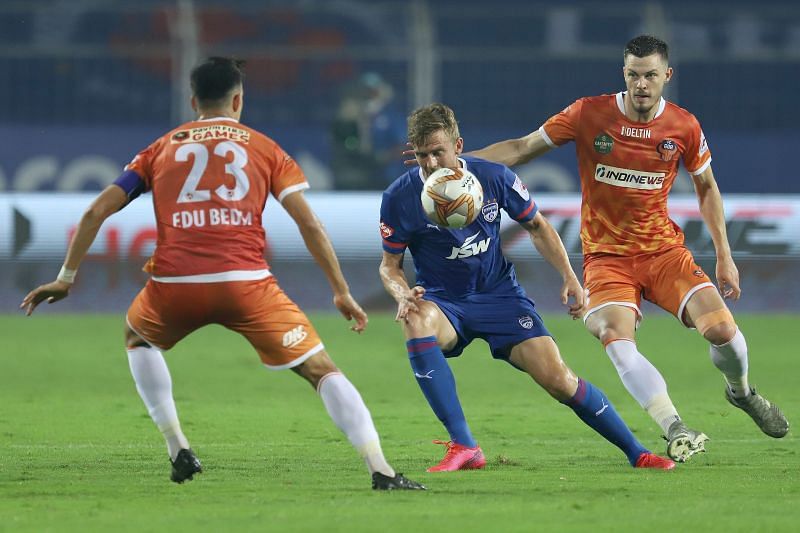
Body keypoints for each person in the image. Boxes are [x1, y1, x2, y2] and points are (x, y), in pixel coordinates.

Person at [21, 57, 424, 491]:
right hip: (246, 284)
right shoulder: (265, 147)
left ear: (194, 100)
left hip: (174, 286)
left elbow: (95, 210)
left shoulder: (160, 149)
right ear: (238, 100)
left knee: (138, 338)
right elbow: (310, 224)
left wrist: (66, 276)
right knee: (320, 370)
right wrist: (341, 291)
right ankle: (381, 471)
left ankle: (179, 449)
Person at [468, 35, 789, 461]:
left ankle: (742, 393)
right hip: (606, 257)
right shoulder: (588, 113)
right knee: (614, 336)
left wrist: (725, 256)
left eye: (651, 75)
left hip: (663, 253)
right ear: (624, 74)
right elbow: (522, 148)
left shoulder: (683, 126)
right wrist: (456, 164)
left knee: (723, 332)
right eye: (634, 75)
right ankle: (674, 427)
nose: (641, 84)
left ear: (666, 76)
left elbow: (706, 187)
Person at [380, 102, 675, 472]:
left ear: (458, 145)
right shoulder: (399, 197)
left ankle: (638, 452)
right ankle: (465, 446)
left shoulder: (493, 177)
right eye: (422, 155)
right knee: (415, 319)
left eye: (438, 152)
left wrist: (570, 276)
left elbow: (537, 226)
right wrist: (401, 292)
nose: (431, 164)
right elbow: (389, 265)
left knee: (559, 379)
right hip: (443, 302)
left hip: (499, 296)